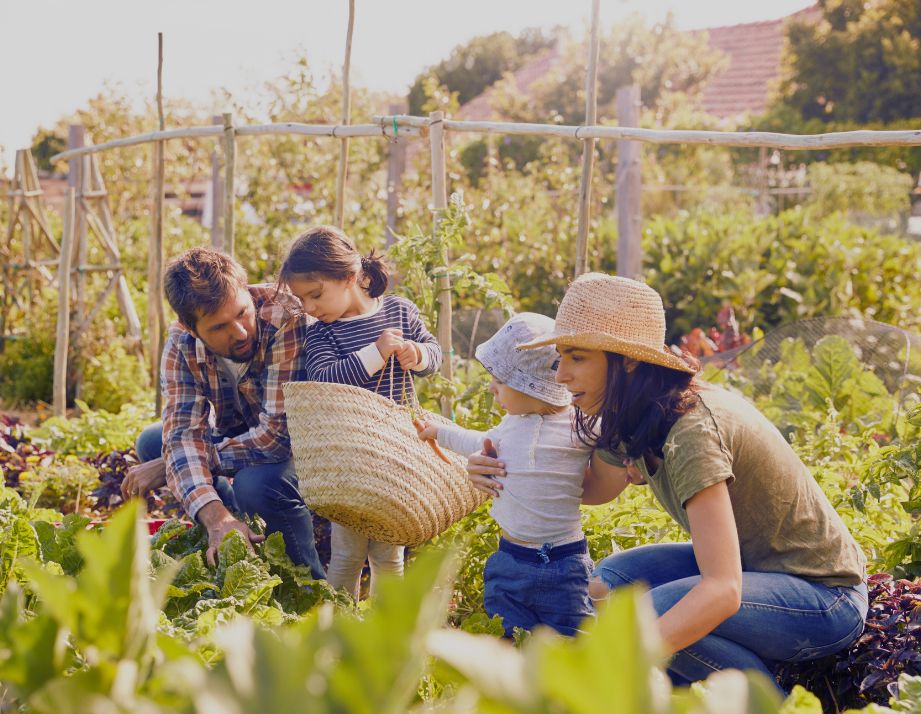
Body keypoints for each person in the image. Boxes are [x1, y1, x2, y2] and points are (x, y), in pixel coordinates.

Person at [471, 272, 868, 687]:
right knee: (611, 585)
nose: (560, 376)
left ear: (626, 359)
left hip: (824, 596)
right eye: (561, 357)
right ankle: (688, 690)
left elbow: (722, 589)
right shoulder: (631, 416)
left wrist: (612, 668)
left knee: (651, 615)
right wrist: (498, 466)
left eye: (577, 357)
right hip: (758, 570)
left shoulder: (692, 432)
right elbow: (592, 489)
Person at [121, 247, 325, 578]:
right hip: (246, 435)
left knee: (256, 484)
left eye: (242, 313)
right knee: (154, 441)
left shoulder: (284, 316)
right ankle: (234, 545)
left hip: (300, 444)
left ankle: (309, 585)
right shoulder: (180, 345)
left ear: (248, 294)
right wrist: (216, 515)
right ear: (190, 327)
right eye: (219, 327)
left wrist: (178, 463)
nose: (241, 332)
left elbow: (275, 438)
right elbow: (182, 432)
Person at [278, 225, 442, 598]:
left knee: (389, 552)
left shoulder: (399, 311)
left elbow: (435, 354)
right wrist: (376, 352)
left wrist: (417, 355)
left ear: (350, 277)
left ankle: (386, 631)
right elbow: (324, 378)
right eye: (302, 300)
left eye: (315, 295)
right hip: (349, 459)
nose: (310, 308)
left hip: (395, 452)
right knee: (347, 553)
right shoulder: (322, 334)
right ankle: (338, 630)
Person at [417, 313, 594, 638]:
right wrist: (439, 432)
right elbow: (473, 440)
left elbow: (615, 436)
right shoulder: (508, 427)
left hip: (565, 564)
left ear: (534, 387)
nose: (491, 388)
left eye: (501, 381)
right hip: (511, 558)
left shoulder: (581, 427)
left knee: (572, 639)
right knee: (506, 635)